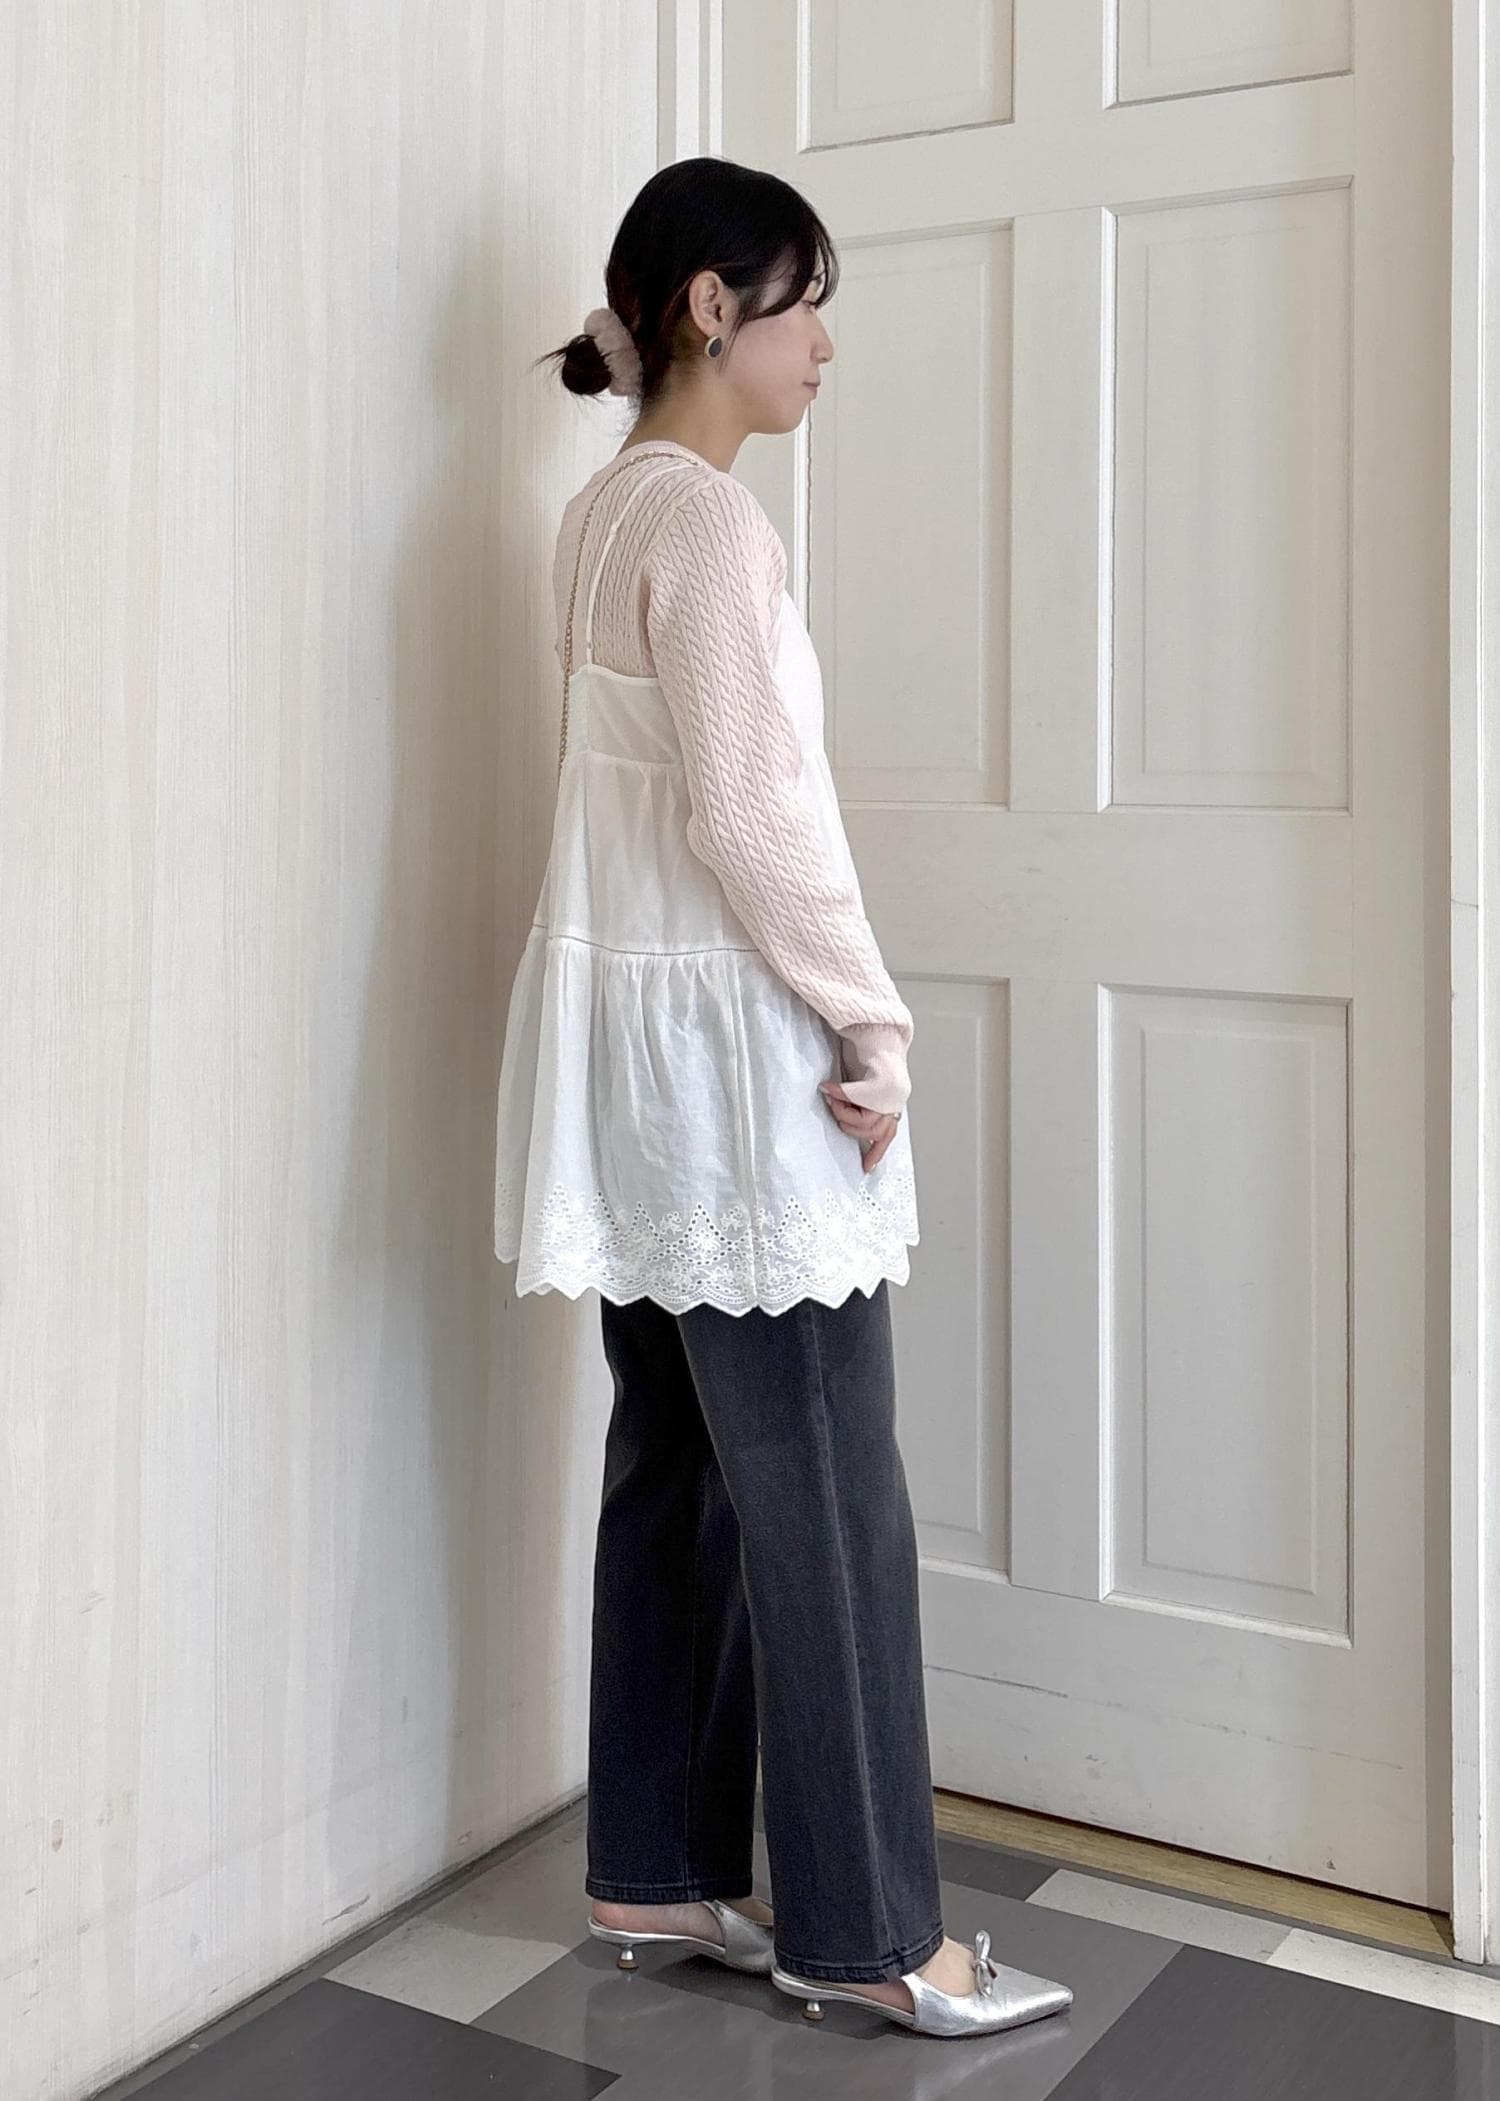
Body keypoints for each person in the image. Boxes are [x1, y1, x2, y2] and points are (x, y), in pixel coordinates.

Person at [495, 155, 1072, 2041]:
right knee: (828, 1493)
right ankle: (871, 1925)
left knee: (675, 1464)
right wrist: (872, 1022)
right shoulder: (713, 529)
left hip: (636, 1077)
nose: (826, 342)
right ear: (709, 308)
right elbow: (755, 819)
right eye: (803, 300)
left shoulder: (603, 513)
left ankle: (657, 1861)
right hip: (744, 1075)